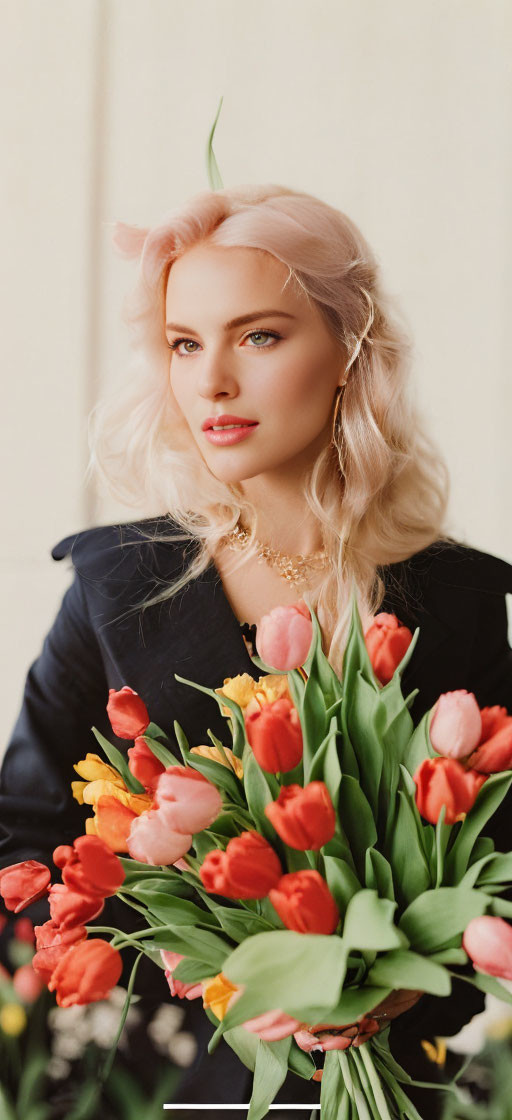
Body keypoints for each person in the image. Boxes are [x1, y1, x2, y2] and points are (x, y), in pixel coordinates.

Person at [1, 183, 511, 1118]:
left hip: (410, 1083)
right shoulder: (114, 587)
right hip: (167, 1089)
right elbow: (21, 837)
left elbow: (503, 854)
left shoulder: (467, 599)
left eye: (260, 336)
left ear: (351, 350)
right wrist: (203, 962)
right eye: (185, 343)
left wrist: (411, 978)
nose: (211, 382)